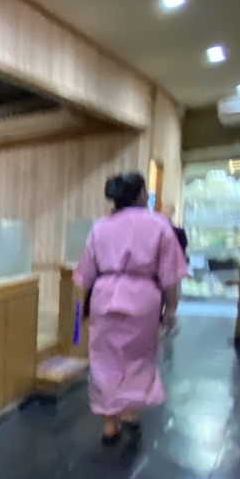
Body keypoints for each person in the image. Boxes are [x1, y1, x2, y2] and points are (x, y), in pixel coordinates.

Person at [73, 172, 188, 443]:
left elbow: (85, 275)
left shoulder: (100, 227)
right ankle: (129, 413)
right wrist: (171, 309)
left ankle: (109, 424)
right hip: (143, 300)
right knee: (138, 359)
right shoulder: (159, 225)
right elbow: (170, 276)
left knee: (104, 360)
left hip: (104, 297)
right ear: (141, 194)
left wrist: (82, 312)